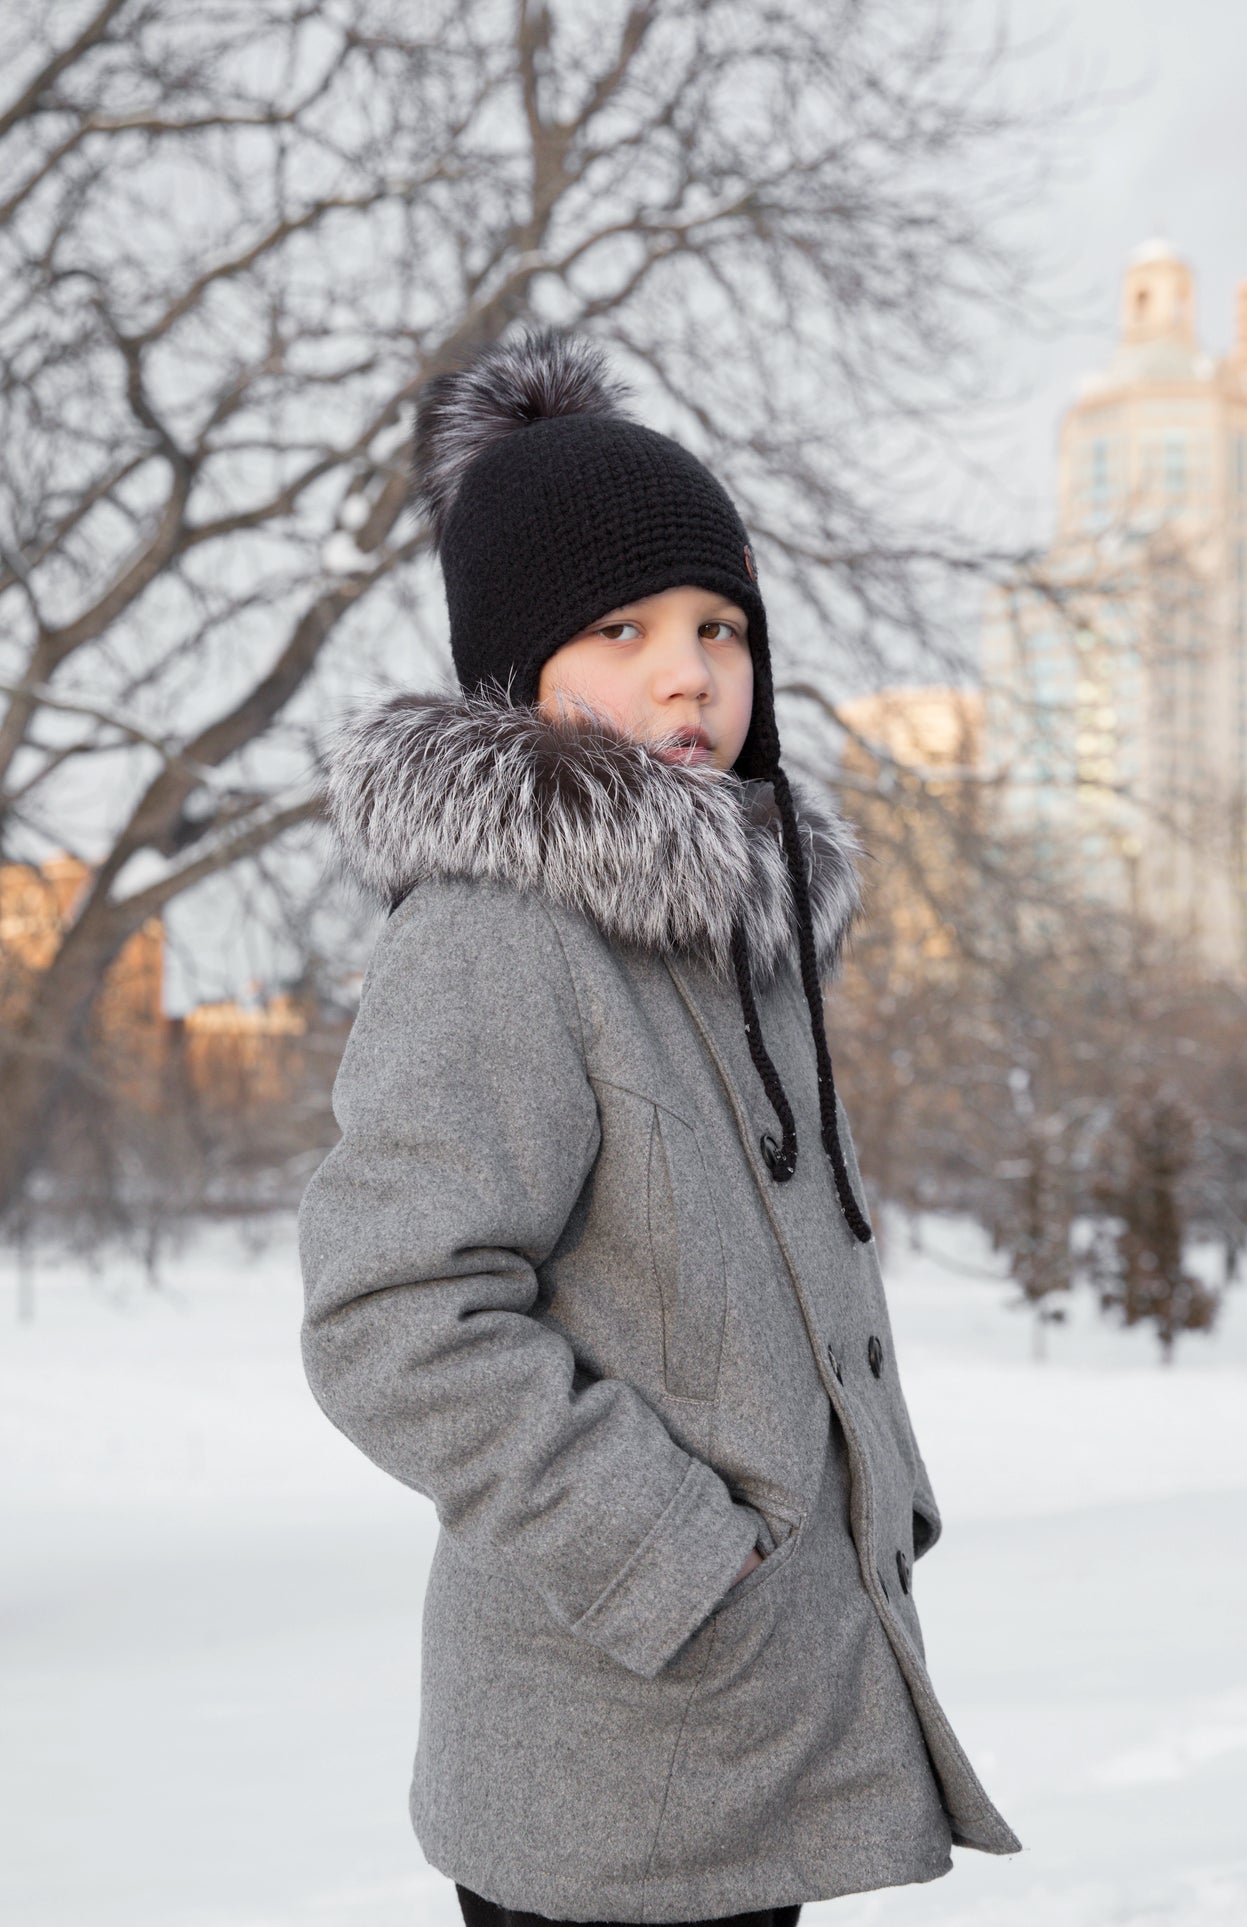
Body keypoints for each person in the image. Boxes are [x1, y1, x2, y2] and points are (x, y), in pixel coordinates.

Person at [297, 328, 1022, 1927]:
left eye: (719, 627)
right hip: (614, 1737)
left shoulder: (723, 944)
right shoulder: (499, 931)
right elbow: (392, 1313)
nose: (689, 672)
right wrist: (680, 1559)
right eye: (620, 630)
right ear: (517, 671)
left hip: (760, 1707)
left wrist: (871, 1504)